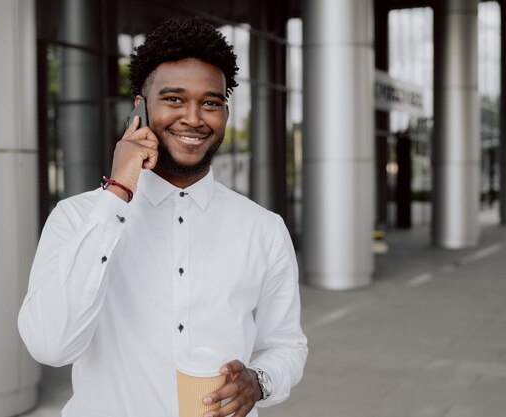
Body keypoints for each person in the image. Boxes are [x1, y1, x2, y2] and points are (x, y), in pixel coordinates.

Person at [18, 16, 307, 417]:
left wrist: (258, 382)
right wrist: (118, 191)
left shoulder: (263, 229)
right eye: (174, 99)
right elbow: (50, 345)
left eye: (211, 103)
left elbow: (286, 345)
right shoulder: (77, 218)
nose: (193, 118)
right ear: (140, 106)